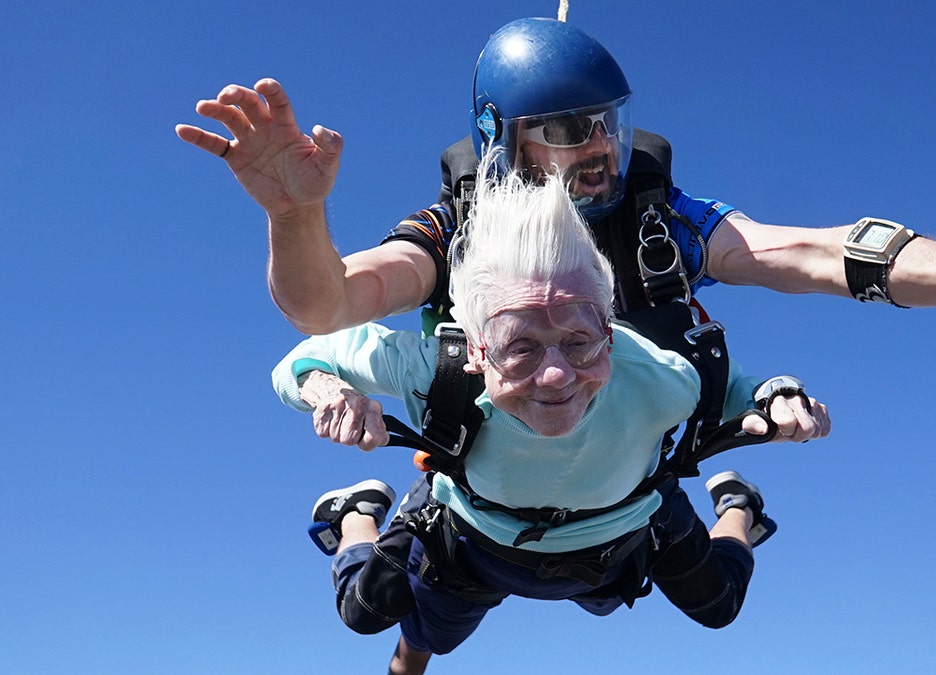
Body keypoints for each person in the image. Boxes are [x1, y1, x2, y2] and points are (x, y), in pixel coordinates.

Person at [176, 17, 936, 339]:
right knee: (437, 594)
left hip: (624, 489)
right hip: (488, 482)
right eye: (564, 132)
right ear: (501, 143)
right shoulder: (458, 222)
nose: (599, 150)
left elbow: (822, 254)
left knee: (706, 597)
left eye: (605, 125)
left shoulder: (665, 218)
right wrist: (297, 220)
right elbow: (329, 305)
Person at [271, 162, 831, 673]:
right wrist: (328, 390)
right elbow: (304, 356)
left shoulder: (660, 374)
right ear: (475, 350)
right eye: (522, 348)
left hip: (620, 535)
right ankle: (355, 514)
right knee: (370, 612)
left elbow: (733, 387)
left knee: (719, 604)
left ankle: (739, 510)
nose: (558, 375)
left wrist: (780, 396)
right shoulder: (431, 368)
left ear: (611, 337)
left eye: (580, 341)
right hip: (474, 540)